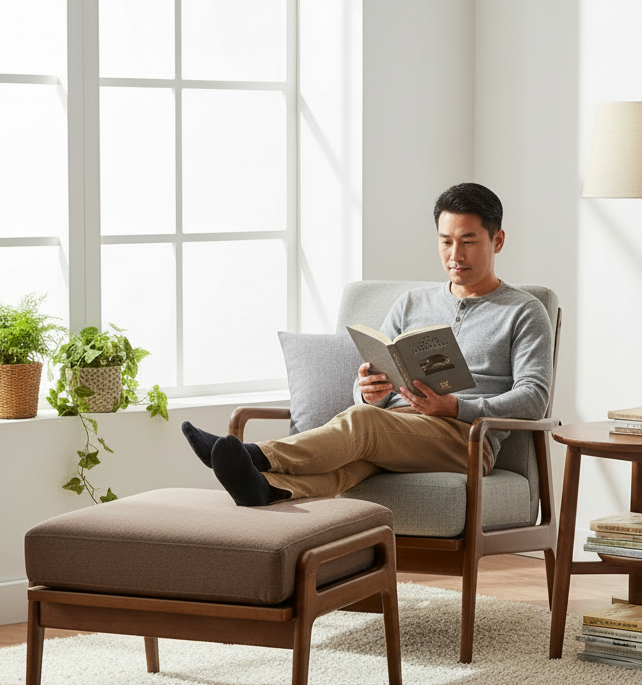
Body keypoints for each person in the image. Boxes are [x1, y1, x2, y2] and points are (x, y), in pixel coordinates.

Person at [181, 182, 554, 506]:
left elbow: (534, 398)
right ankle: (267, 488)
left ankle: (254, 454)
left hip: (468, 440)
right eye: (446, 241)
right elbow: (372, 384)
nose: (455, 255)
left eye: (468, 241)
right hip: (396, 423)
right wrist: (369, 393)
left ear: (497, 240)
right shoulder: (411, 303)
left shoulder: (524, 310)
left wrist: (456, 407)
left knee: (364, 424)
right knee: (354, 458)